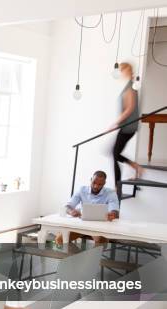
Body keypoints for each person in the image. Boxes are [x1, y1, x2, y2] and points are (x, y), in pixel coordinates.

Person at [56, 170, 119, 246]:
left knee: (101, 243)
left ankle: (89, 257)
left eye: (100, 184)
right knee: (60, 239)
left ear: (104, 184)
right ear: (91, 180)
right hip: (81, 225)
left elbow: (114, 210)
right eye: (94, 183)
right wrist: (71, 211)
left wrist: (112, 214)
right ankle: (77, 257)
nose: (96, 186)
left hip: (99, 227)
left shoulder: (110, 193)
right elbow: (67, 206)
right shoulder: (82, 190)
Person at [110, 62, 142, 199]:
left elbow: (130, 108)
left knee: (114, 153)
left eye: (122, 70)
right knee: (115, 153)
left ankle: (118, 185)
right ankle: (134, 168)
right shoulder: (130, 86)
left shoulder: (130, 88)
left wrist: (115, 123)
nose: (121, 73)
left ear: (126, 71)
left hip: (128, 126)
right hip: (127, 126)